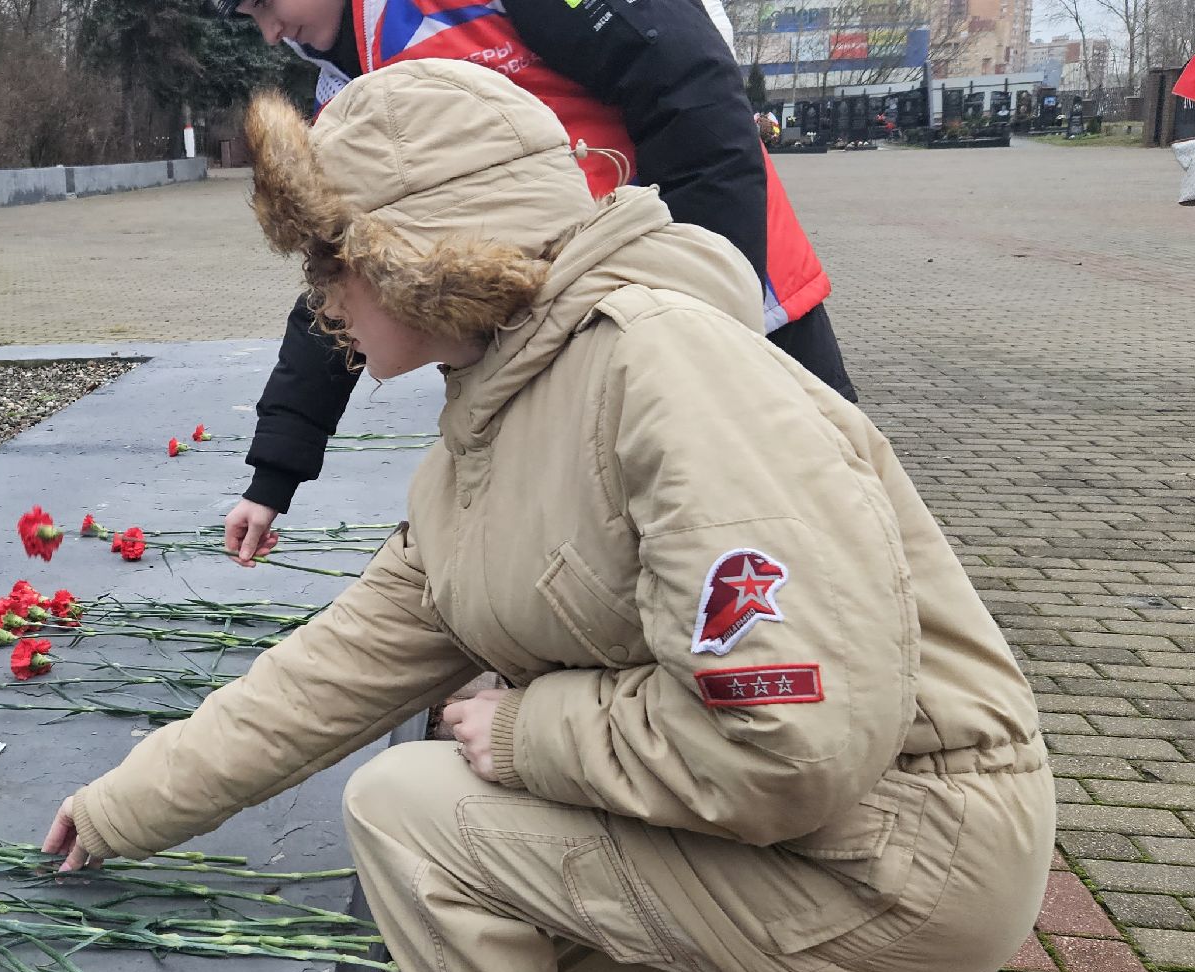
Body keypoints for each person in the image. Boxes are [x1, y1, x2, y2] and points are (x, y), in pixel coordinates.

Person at [42, 61, 1053, 972]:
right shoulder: (489, 426)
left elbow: (790, 739)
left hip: (896, 866)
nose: (317, 298)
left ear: (419, 251)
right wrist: (121, 807)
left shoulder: (665, 373)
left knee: (407, 807)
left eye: (331, 259)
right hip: (789, 837)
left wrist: (533, 731)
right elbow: (334, 670)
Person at [216, 0, 856, 564]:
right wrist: (275, 474)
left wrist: (703, 311)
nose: (271, 33)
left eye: (266, 4)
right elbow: (346, 280)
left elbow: (691, 92)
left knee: (822, 527)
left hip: (723, 295)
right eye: (253, 21)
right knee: (645, 555)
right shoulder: (348, 90)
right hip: (558, 345)